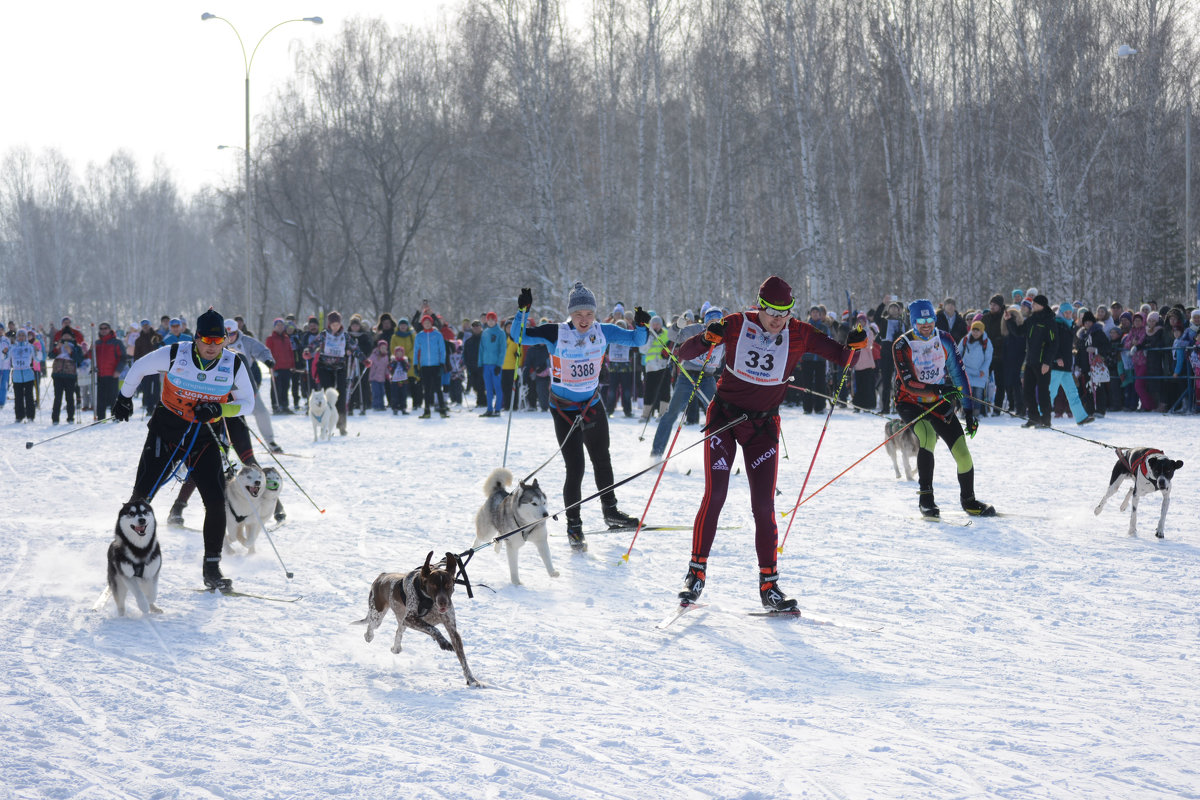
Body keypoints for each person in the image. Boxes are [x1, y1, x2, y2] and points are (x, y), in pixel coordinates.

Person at [674, 276, 866, 611]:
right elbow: (683, 352)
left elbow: (845, 358)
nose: (778, 319)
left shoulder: (800, 333)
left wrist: (855, 343)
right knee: (715, 495)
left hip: (762, 427)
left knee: (763, 507)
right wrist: (707, 338)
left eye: (785, 312)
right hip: (725, 419)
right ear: (759, 306)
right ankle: (696, 572)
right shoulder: (735, 324)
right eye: (772, 312)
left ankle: (769, 586)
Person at [112, 308, 256, 591]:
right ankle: (125, 557)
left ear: (226, 340)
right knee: (141, 497)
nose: (213, 347)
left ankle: (211, 568)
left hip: (204, 435)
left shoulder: (233, 363)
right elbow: (139, 367)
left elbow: (248, 403)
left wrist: (219, 408)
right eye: (207, 341)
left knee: (215, 501)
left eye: (219, 341)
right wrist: (124, 397)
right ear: (196, 339)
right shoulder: (175, 353)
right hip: (167, 429)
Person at [510, 282, 649, 550]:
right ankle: (574, 525)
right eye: (578, 315)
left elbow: (637, 341)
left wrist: (641, 325)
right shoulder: (556, 333)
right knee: (576, 468)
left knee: (602, 460)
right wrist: (522, 311)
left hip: (592, 405)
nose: (584, 320)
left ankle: (611, 512)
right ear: (570, 314)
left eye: (589, 314)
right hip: (564, 409)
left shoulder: (603, 330)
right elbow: (519, 336)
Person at [893, 299, 994, 519]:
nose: (927, 325)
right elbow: (909, 383)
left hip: (938, 401)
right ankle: (926, 501)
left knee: (963, 454)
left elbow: (959, 375)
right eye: (921, 321)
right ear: (913, 322)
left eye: (930, 320)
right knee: (927, 436)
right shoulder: (902, 345)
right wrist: (940, 389)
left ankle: (969, 501)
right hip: (910, 402)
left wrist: (969, 411)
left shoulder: (945, 339)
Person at [650, 307, 724, 458]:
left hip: (707, 377)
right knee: (671, 414)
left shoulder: (726, 334)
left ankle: (720, 455)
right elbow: (672, 336)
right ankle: (656, 454)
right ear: (706, 321)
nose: (714, 324)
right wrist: (678, 325)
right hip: (687, 376)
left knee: (718, 416)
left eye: (718, 321)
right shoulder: (696, 329)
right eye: (711, 321)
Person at [309, 311, 356, 434]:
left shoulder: (345, 336)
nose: (335, 327)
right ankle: (326, 424)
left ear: (340, 324)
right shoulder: (324, 335)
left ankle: (341, 425)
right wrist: (307, 351)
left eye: (337, 324)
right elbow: (312, 345)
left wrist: (365, 360)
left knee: (341, 395)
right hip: (324, 368)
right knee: (328, 397)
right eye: (333, 324)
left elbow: (355, 348)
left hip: (340, 367)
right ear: (329, 324)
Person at [1021, 295, 1056, 427]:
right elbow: (1019, 332)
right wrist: (1009, 321)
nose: (1033, 306)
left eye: (1035, 304)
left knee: (1043, 393)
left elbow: (1053, 344)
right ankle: (1034, 418)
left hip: (1043, 363)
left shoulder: (1049, 321)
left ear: (1042, 305)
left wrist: (1047, 362)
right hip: (1030, 362)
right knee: (1027, 392)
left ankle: (1046, 420)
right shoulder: (1031, 319)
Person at [413, 314, 450, 418]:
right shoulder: (419, 336)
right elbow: (416, 351)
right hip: (425, 366)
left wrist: (442, 363)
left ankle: (442, 410)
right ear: (423, 324)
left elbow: (442, 350)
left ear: (431, 323)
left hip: (436, 365)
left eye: (429, 323)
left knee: (438, 388)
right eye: (425, 323)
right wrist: (415, 365)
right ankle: (427, 410)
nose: (427, 324)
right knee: (427, 389)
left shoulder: (437, 335)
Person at [478, 311, 506, 417]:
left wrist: (499, 365)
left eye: (492, 320)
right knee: (488, 388)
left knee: (497, 387)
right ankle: (489, 409)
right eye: (488, 320)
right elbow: (481, 349)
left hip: (495, 365)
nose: (490, 322)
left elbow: (502, 350)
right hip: (486, 364)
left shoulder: (500, 333)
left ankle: (497, 409)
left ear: (495, 320)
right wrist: (480, 364)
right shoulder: (484, 333)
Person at [265, 318, 296, 414]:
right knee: (276, 387)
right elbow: (267, 353)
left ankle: (285, 405)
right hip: (276, 367)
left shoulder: (286, 338)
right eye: (278, 325)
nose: (280, 327)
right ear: (274, 327)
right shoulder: (270, 339)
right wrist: (270, 366)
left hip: (286, 367)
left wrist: (292, 365)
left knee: (286, 387)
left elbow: (290, 352)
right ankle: (276, 405)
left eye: (282, 325)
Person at [50, 337, 81, 424]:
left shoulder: (76, 347)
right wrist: (57, 348)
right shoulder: (58, 345)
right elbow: (51, 355)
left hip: (70, 376)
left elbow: (79, 359)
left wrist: (71, 352)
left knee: (70, 397)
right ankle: (55, 418)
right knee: (57, 397)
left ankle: (70, 417)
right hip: (58, 375)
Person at [9, 328, 37, 422]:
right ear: (17, 337)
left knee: (29, 396)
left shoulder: (30, 347)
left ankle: (30, 416)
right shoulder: (12, 347)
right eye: (19, 335)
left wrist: (38, 351)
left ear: (26, 337)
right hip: (17, 375)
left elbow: (38, 358)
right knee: (18, 397)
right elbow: (4, 358)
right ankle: (19, 416)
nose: (21, 337)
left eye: (23, 335)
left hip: (28, 374)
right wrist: (4, 352)